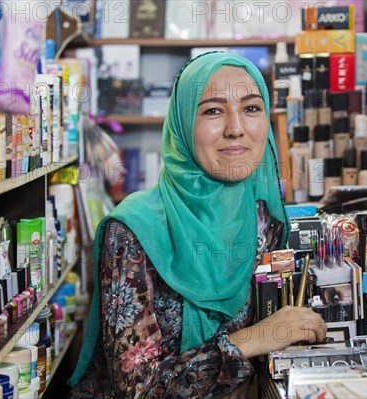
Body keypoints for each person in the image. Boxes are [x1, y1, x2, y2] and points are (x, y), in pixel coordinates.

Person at [68, 52, 327, 399]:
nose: (236, 128)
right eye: (213, 111)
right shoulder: (134, 230)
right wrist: (255, 337)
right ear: (182, 124)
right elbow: (138, 389)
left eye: (251, 108)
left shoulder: (265, 216)